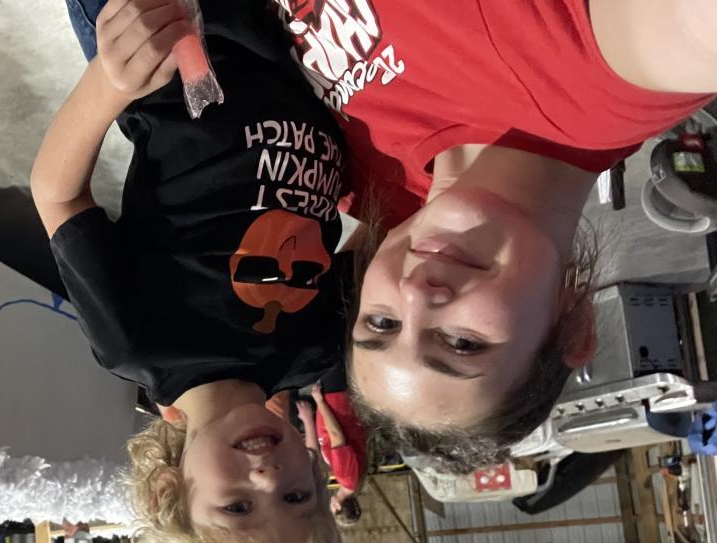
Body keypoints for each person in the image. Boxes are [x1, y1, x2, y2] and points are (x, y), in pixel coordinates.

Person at [270, 0, 717, 471]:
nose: (416, 294)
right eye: (462, 343)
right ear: (575, 330)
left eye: (382, 323)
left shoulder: (347, 178)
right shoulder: (604, 78)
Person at [32, 0, 351, 543]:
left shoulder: (138, 341)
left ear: (169, 491)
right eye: (296, 496)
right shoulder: (316, 347)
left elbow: (58, 195)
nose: (268, 478)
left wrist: (108, 83)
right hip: (279, 31)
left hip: (161, 40)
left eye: (238, 507)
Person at [309, 382, 365, 525]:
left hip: (338, 405)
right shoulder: (345, 477)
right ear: (338, 507)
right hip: (335, 403)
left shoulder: (354, 481)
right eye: (332, 511)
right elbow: (336, 435)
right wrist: (320, 402)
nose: (330, 507)